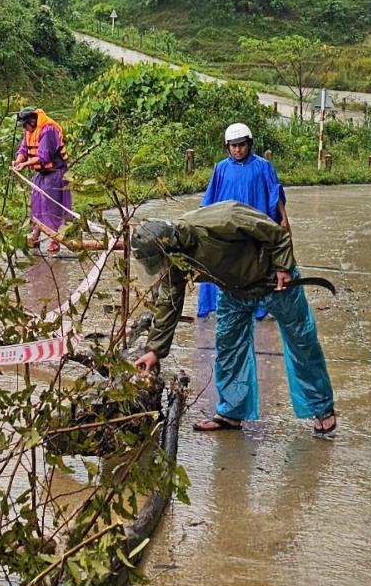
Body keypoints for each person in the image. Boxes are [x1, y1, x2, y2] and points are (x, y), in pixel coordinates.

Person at [131, 201, 337, 438]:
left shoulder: (223, 218)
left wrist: (283, 266)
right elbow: (170, 302)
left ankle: (321, 408)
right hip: (233, 290)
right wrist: (155, 350)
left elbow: (276, 233)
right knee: (229, 347)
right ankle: (230, 412)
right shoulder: (174, 262)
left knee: (301, 342)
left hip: (273, 280)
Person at [197, 122, 287, 319]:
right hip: (226, 229)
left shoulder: (263, 167)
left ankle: (257, 309)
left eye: (241, 145)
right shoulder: (220, 169)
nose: (237, 150)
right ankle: (224, 307)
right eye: (233, 146)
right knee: (223, 266)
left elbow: (275, 195)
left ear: (249, 144)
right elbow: (208, 202)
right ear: (228, 146)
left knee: (255, 266)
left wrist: (283, 220)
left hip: (254, 227)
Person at [12, 107, 72, 254]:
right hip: (41, 173)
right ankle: (36, 234)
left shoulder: (48, 130)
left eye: (25, 125)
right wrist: (18, 160)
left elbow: (44, 156)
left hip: (55, 172)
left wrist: (25, 164)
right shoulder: (29, 131)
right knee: (37, 202)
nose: (24, 129)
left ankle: (55, 239)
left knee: (51, 206)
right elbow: (23, 150)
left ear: (32, 121)